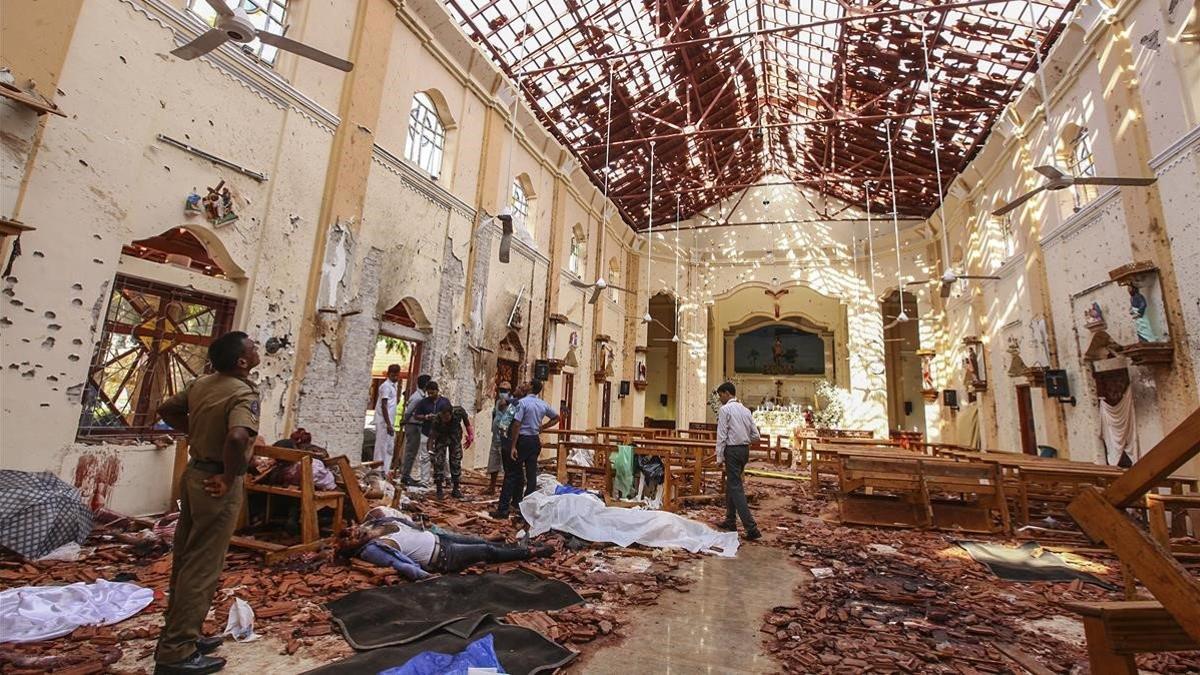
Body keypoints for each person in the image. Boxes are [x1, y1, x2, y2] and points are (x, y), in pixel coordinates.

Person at [154, 331, 261, 675]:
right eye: (252, 347)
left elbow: (167, 409)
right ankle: (177, 654)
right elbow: (237, 435)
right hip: (217, 483)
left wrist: (196, 433)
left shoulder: (202, 384)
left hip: (194, 475)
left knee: (186, 557)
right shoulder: (242, 391)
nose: (257, 348)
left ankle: (181, 635)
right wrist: (230, 476)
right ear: (242, 362)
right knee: (202, 567)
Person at [334, 513, 551, 579]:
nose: (354, 533)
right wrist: (425, 576)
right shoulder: (373, 548)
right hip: (443, 557)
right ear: (354, 548)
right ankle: (529, 552)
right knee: (485, 551)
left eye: (350, 531)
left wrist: (420, 523)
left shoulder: (376, 522)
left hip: (440, 539)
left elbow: (408, 523)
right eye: (350, 539)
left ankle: (521, 545)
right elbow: (397, 563)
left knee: (480, 540)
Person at [714, 382, 761, 541]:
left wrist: (719, 457)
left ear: (727, 393)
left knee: (736, 487)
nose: (720, 399)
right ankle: (730, 520)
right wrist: (744, 439)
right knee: (731, 484)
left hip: (732, 450)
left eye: (720, 395)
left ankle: (751, 527)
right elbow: (756, 436)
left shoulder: (725, 410)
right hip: (744, 450)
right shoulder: (746, 410)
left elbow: (721, 434)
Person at [507, 380, 558, 510]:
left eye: (527, 383)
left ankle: (515, 501)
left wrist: (513, 445)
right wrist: (543, 427)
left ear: (530, 387)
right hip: (534, 439)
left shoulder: (522, 403)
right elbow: (556, 417)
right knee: (531, 473)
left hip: (523, 439)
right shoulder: (542, 404)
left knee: (515, 471)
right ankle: (528, 502)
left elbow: (516, 424)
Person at [489, 382, 527, 519]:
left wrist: (506, 441)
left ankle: (503, 508)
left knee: (510, 475)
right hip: (524, 442)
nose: (514, 390)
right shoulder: (528, 404)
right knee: (518, 474)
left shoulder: (515, 405)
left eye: (517, 388)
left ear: (521, 392)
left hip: (511, 442)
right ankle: (517, 502)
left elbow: (504, 424)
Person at [428, 402, 474, 499]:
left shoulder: (458, 412)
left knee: (456, 461)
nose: (444, 419)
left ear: (451, 414)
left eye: (446, 417)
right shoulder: (437, 419)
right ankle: (439, 489)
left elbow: (467, 423)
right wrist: (431, 452)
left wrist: (470, 435)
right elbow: (432, 437)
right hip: (441, 437)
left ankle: (456, 489)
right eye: (442, 417)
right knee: (439, 461)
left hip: (455, 436)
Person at [398, 374, 431, 487]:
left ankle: (406, 474)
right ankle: (405, 476)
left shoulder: (420, 396)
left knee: (412, 451)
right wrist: (404, 420)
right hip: (413, 425)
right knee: (411, 452)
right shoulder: (417, 397)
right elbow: (409, 411)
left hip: (415, 425)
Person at [374, 364, 401, 473]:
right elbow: (384, 406)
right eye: (394, 375)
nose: (396, 377)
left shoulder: (394, 386)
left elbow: (395, 402)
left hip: (391, 421)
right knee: (381, 447)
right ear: (389, 374)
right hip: (384, 422)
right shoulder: (385, 386)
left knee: (389, 448)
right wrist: (388, 424)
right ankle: (378, 470)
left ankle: (385, 470)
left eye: (397, 375)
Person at [487, 382, 512, 494]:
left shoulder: (512, 404)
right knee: (493, 462)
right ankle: (491, 487)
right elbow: (494, 415)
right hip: (496, 437)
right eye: (501, 390)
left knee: (506, 465)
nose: (502, 393)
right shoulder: (497, 402)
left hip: (506, 438)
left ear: (509, 392)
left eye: (505, 391)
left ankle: (506, 489)